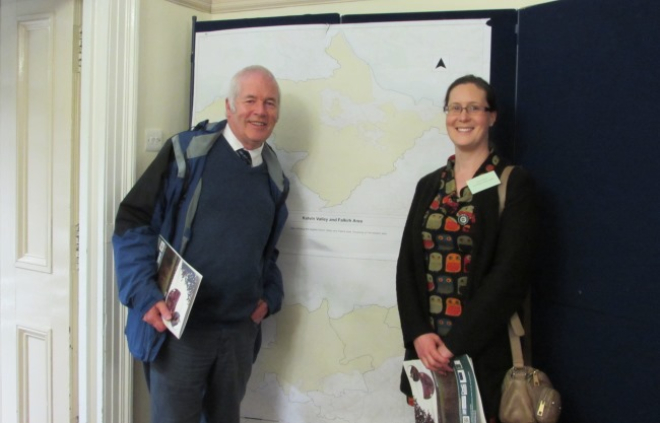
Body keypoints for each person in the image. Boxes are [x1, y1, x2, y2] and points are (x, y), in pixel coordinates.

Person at [112, 65, 289, 423]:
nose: (260, 111)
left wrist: (270, 297)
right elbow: (133, 221)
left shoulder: (274, 176)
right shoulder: (186, 153)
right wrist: (144, 296)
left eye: (269, 103)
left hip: (237, 334)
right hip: (181, 331)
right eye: (250, 100)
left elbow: (266, 252)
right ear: (229, 106)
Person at [396, 75, 538, 422]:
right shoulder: (428, 185)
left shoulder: (513, 183)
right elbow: (407, 267)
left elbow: (510, 277)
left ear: (491, 116)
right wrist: (419, 334)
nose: (463, 116)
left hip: (480, 352)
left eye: (474, 108)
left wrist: (454, 344)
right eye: (455, 107)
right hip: (426, 351)